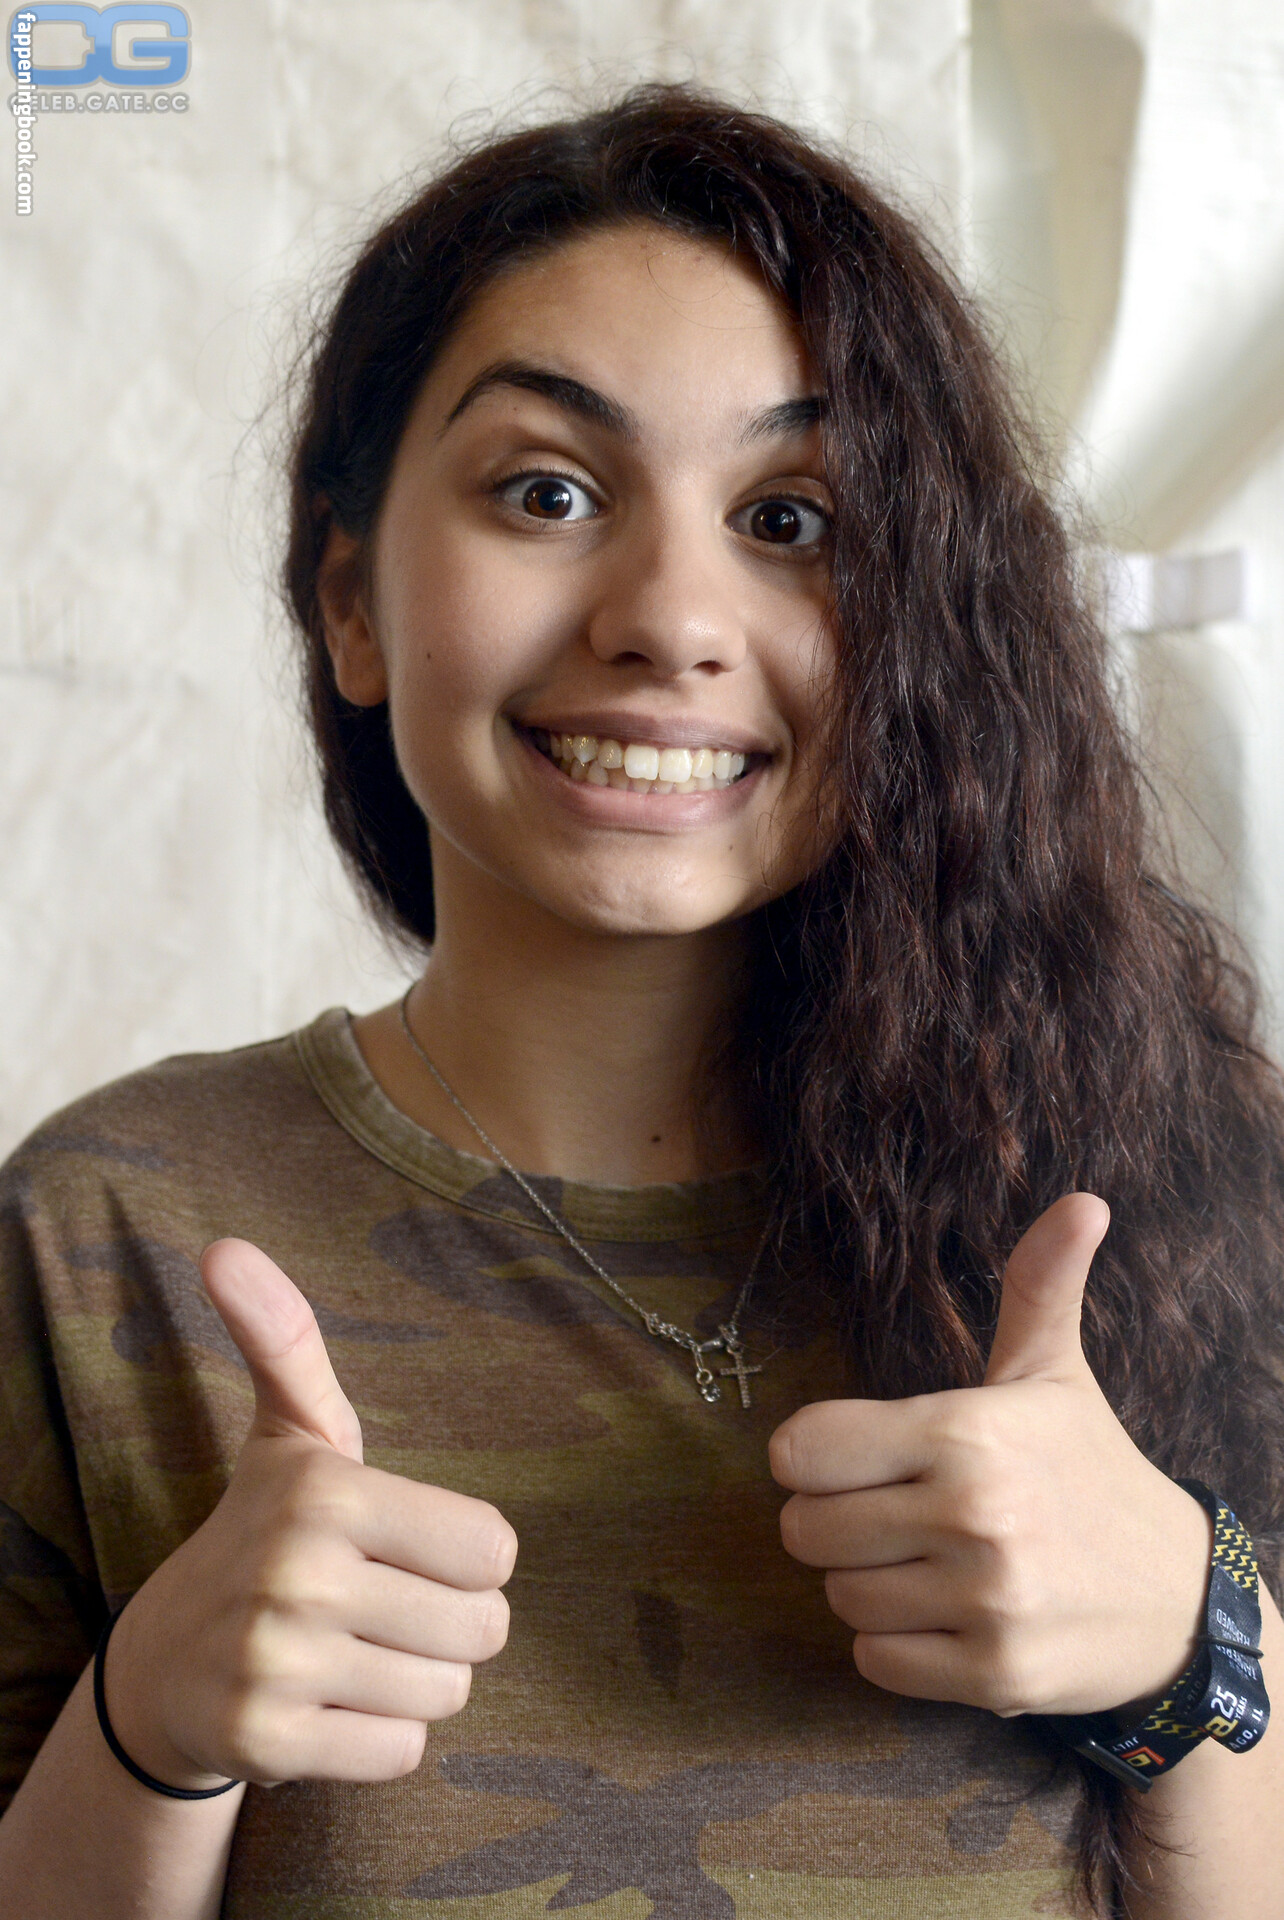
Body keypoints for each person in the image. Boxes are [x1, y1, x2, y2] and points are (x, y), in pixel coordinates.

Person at [0, 85, 1280, 1920]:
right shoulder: (102, 1236)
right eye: (549, 492)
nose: (672, 616)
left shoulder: (1193, 1195)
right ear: (349, 597)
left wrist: (1195, 1651)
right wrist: (148, 1734)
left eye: (789, 516)